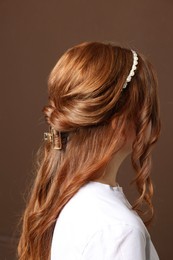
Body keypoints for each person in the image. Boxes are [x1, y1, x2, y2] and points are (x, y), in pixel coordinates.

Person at [17, 41, 161, 260]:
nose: (153, 122)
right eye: (147, 110)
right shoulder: (119, 230)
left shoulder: (67, 199)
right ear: (120, 122)